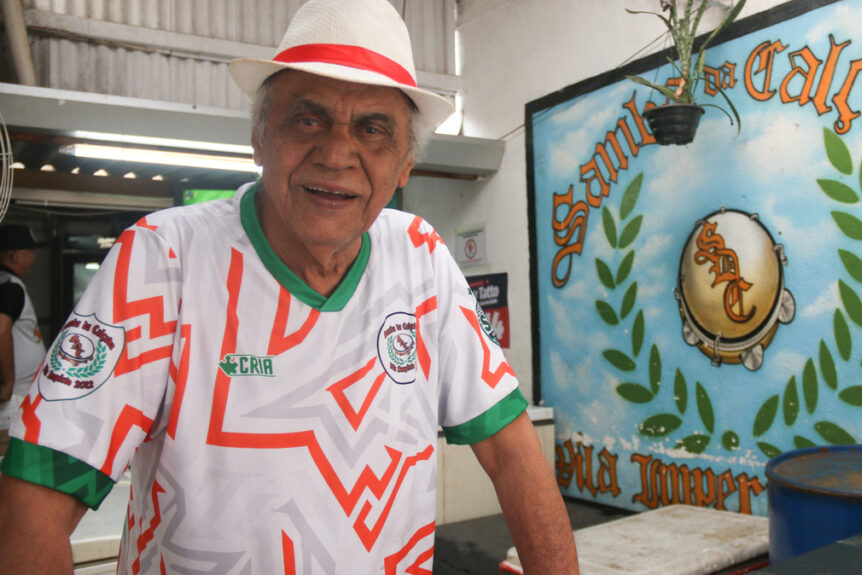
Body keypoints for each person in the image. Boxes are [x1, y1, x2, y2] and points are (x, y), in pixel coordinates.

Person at [0, 0, 579, 573]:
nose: (336, 153)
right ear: (259, 139)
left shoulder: (421, 257)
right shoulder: (163, 258)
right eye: (308, 120)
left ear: (405, 164)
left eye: (373, 130)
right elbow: (32, 508)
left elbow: (512, 452)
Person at [0, 224, 46, 406]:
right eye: (30, 251)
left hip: (23, 389)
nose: (34, 256)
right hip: (16, 393)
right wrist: (8, 383)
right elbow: (1, 330)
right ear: (16, 257)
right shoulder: (10, 286)